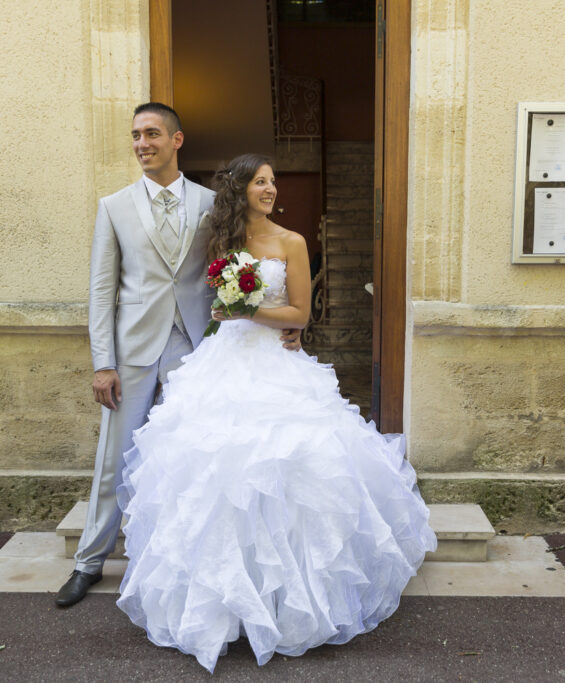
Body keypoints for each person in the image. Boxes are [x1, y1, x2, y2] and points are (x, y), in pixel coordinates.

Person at [113, 153, 437, 672]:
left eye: (272, 181)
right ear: (239, 189)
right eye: (259, 182)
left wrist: (247, 310)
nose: (269, 189)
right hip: (223, 361)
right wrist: (230, 313)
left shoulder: (292, 242)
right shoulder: (221, 240)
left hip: (275, 363)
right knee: (218, 476)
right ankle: (226, 601)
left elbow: (299, 313)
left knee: (289, 470)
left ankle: (289, 601)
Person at [56, 105, 298, 607]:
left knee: (187, 460)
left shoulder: (214, 204)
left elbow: (247, 264)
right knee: (114, 459)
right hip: (133, 350)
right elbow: (101, 291)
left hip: (199, 347)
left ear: (176, 140)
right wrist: (103, 362)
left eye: (152, 134)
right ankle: (88, 562)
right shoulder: (113, 207)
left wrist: (286, 324)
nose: (142, 143)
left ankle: (171, 562)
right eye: (135, 136)